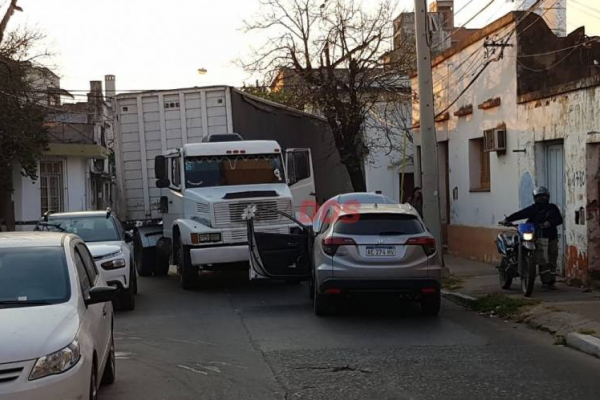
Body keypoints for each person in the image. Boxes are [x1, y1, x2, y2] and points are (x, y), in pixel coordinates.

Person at [500, 187, 563, 288]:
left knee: (552, 260)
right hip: (539, 238)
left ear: (548, 197)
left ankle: (551, 281)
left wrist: (549, 223)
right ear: (535, 198)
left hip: (552, 238)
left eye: (544, 196)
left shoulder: (552, 208)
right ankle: (546, 281)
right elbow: (521, 214)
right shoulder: (534, 208)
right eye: (539, 197)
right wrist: (507, 219)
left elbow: (559, 219)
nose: (541, 199)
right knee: (543, 260)